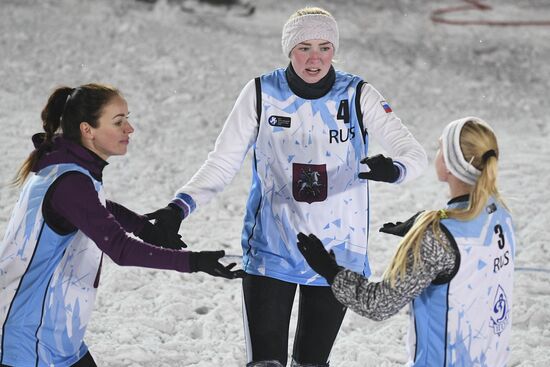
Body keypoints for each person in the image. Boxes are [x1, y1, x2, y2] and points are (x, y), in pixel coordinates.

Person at [147, 6, 427, 366]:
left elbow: (413, 154)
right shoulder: (261, 93)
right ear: (288, 50)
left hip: (336, 256)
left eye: (324, 47)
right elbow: (222, 161)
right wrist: (179, 207)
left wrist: (395, 170)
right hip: (272, 250)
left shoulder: (358, 95)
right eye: (304, 47)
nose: (315, 58)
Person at [0, 84, 243, 367]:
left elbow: (96, 208)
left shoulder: (66, 168)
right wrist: (195, 262)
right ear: (87, 130)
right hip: (31, 339)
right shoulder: (71, 182)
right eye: (118, 122)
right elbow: (120, 249)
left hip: (53, 333)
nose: (130, 129)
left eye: (127, 118)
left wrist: (145, 228)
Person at [298, 116, 515, 366]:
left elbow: (378, 304)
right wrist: (424, 221)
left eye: (440, 148)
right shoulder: (500, 213)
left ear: (451, 165)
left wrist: (330, 270)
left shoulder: (436, 238)